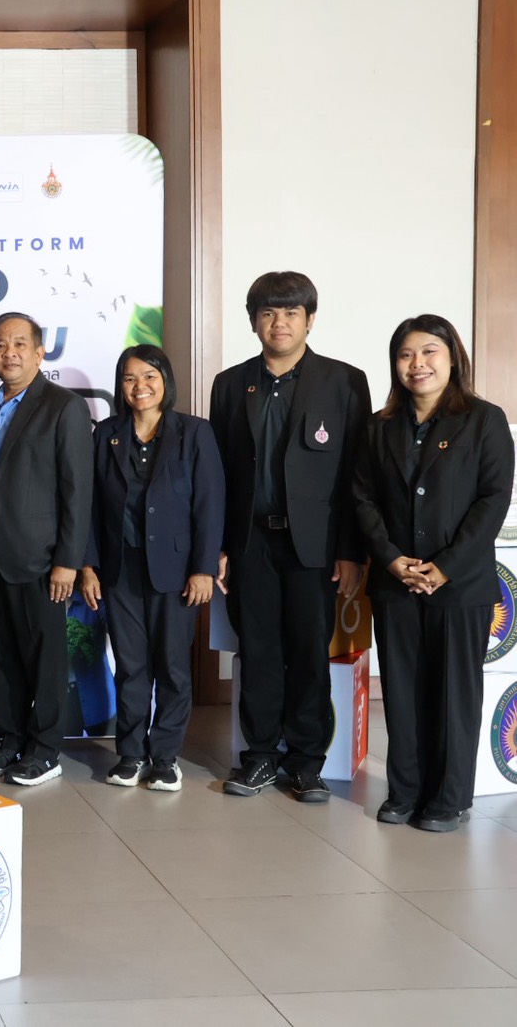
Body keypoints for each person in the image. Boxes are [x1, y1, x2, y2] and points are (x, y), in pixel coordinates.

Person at [210, 271, 370, 802]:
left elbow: (357, 474)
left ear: (310, 319)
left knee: (308, 651)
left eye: (291, 313)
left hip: (316, 547)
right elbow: (220, 474)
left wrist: (351, 551)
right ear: (254, 321)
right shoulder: (230, 384)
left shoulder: (345, 381)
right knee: (256, 651)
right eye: (268, 313)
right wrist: (219, 545)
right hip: (251, 542)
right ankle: (258, 756)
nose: (279, 323)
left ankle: (305, 762)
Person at [354, 315, 513, 832]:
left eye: (429, 352)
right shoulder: (378, 427)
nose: (417, 364)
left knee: (453, 693)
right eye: (406, 354)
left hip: (460, 584)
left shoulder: (484, 420)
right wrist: (391, 558)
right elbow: (362, 498)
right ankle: (404, 792)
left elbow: (492, 501)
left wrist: (445, 566)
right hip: (396, 581)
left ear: (452, 359)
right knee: (401, 691)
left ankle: (448, 798)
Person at [79, 345, 224, 792]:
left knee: (173, 667)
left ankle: (165, 757)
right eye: (129, 378)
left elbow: (210, 503)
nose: (139, 386)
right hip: (120, 569)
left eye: (149, 376)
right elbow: (88, 504)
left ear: (165, 381)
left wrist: (203, 567)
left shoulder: (194, 432)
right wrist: (88, 565)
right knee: (130, 665)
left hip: (177, 571)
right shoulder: (107, 434)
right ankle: (131, 754)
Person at [0, 312, 93, 786]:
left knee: (45, 658)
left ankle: (46, 749)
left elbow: (77, 491)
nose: (9, 352)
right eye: (0, 344)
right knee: (1, 656)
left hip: (39, 557)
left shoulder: (63, 407)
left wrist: (67, 562)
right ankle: (12, 738)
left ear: (40, 352)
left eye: (20, 343)